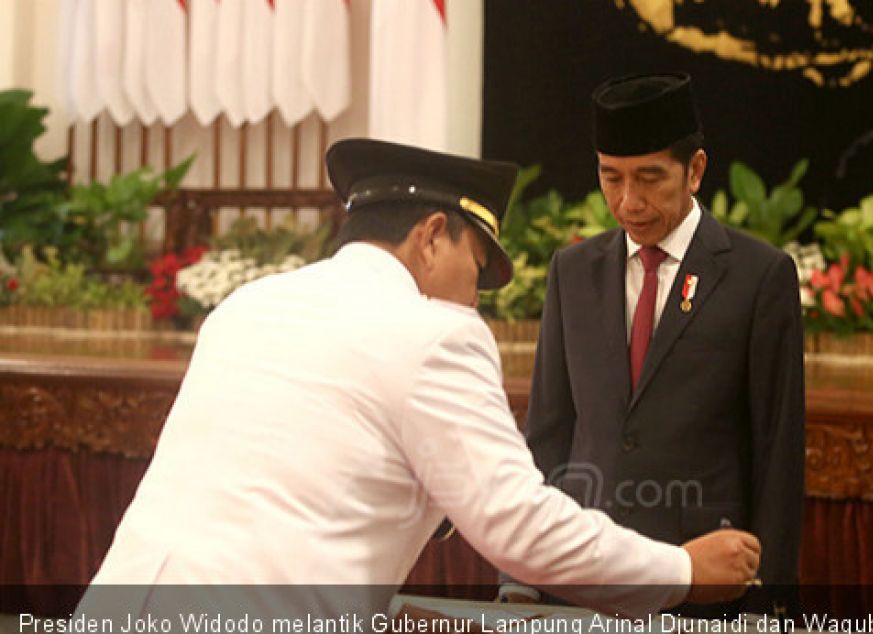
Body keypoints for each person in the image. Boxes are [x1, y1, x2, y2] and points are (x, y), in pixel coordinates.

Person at [83, 138, 763, 619]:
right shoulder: (435, 333)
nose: (472, 297)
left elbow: (313, 490)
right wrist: (682, 570)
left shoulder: (247, 305)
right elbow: (517, 525)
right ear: (432, 235)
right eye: (476, 269)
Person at [499, 73, 805, 615]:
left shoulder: (759, 277)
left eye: (649, 178)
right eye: (610, 178)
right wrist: (519, 574)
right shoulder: (573, 272)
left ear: (695, 171)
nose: (628, 201)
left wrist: (770, 598)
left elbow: (777, 449)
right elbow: (547, 433)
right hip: (583, 577)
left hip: (707, 586)